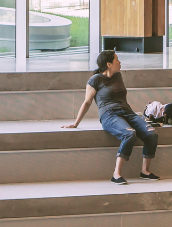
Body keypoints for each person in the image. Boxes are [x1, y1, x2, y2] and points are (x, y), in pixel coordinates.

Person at [62, 50, 160, 184]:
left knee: (151, 133)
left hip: (127, 112)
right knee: (129, 134)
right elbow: (87, 102)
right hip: (109, 115)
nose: (120, 62)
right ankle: (116, 174)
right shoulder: (95, 80)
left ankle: (145, 171)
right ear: (109, 64)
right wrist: (75, 123)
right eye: (117, 59)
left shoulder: (118, 76)